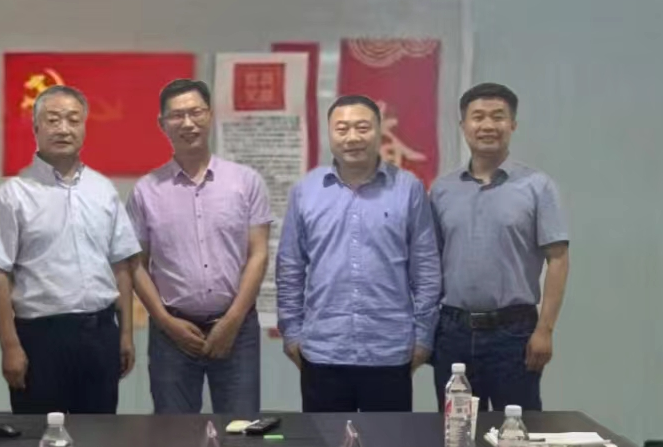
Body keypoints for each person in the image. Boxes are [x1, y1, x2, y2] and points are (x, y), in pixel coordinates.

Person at [0, 85, 141, 414]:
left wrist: (125, 334)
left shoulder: (103, 190)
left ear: (84, 128)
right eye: (53, 120)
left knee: (100, 436)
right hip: (40, 338)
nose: (64, 129)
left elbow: (121, 267)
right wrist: (9, 345)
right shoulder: (13, 194)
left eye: (73, 120)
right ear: (36, 128)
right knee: (39, 436)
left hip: (99, 334)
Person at [276, 95, 441, 413]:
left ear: (379, 131)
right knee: (326, 443)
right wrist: (292, 333)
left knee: (389, 443)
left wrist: (423, 337)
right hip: (323, 349)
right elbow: (289, 268)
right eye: (342, 129)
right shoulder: (306, 191)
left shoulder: (408, 189)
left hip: (389, 349)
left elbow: (426, 269)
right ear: (330, 134)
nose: (352, 137)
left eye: (362, 127)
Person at [128, 79, 272, 417]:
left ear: (210, 115)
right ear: (162, 124)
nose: (188, 123)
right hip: (172, 332)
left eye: (196, 112)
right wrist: (165, 321)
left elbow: (259, 253)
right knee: (174, 433)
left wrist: (232, 320)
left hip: (237, 327)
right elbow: (136, 265)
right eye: (177, 116)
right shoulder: (146, 190)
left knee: (240, 429)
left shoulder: (245, 182)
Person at [430, 83, 569, 412]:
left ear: (513, 124)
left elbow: (558, 259)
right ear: (463, 125)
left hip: (514, 333)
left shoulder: (537, 187)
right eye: (478, 117)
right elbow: (430, 263)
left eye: (498, 116)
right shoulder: (442, 190)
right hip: (453, 333)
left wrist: (545, 330)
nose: (488, 125)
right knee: (458, 432)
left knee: (519, 429)